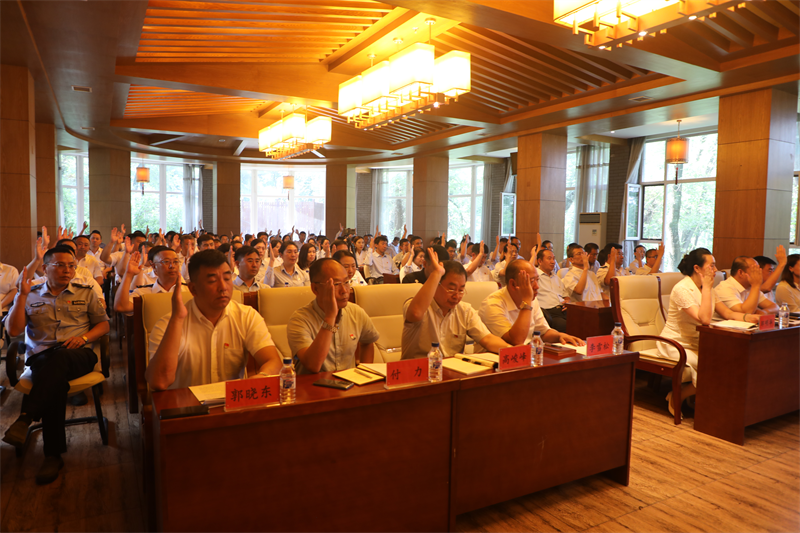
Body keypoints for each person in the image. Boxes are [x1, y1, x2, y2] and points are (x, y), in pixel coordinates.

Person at [2, 245, 110, 485]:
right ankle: (52, 455)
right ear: (45, 268)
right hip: (42, 358)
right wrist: (21, 296)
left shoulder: (86, 292)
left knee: (59, 360)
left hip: (79, 354)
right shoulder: (29, 294)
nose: (67, 270)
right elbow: (14, 330)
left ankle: (26, 419)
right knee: (55, 382)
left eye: (71, 266)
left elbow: (104, 325)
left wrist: (84, 338)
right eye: (60, 265)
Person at [146, 250, 282, 390]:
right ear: (193, 289)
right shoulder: (168, 324)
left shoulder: (247, 316)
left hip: (231, 399)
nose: (223, 287)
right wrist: (177, 320)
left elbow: (273, 361)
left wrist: (260, 378)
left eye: (227, 279)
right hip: (186, 402)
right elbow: (159, 382)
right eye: (212, 281)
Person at [657, 248, 758, 416]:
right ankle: (678, 396)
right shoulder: (682, 289)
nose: (716, 269)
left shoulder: (707, 288)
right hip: (676, 343)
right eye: (712, 266)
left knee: (727, 362)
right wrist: (706, 288)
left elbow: (728, 313)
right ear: (697, 268)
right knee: (710, 367)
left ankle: (705, 403)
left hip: (699, 342)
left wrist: (749, 317)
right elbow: (704, 319)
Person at [402, 254, 510, 360]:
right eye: (451, 289)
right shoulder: (418, 305)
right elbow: (415, 313)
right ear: (436, 284)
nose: (456, 296)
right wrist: (436, 273)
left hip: (453, 369)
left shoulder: (465, 310)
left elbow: (487, 339)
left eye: (461, 290)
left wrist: (511, 350)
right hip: (418, 368)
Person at [288, 259, 379, 374]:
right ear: (315, 289)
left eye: (346, 282)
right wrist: (330, 317)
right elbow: (313, 365)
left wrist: (365, 373)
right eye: (336, 284)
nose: (344, 291)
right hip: (314, 384)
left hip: (349, 383)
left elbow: (368, 341)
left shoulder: (356, 312)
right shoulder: (299, 320)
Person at [480, 259, 584, 347]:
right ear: (513, 284)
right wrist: (526, 303)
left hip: (528, 354)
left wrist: (559, 336)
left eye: (537, 280)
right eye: (531, 281)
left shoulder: (531, 299)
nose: (537, 286)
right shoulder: (493, 304)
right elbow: (516, 341)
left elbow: (543, 332)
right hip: (496, 359)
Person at [114, 246, 184, 315]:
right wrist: (128, 274)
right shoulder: (144, 293)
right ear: (154, 266)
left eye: (176, 261)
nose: (172, 266)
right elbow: (120, 307)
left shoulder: (187, 290)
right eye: (166, 261)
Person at [714, 256, 779, 315]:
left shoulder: (749, 287)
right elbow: (745, 314)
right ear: (741, 273)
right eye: (755, 270)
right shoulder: (725, 288)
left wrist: (764, 312)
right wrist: (756, 286)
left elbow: (775, 307)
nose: (759, 274)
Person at [536, 248, 570, 332]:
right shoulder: (535, 276)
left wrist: (567, 302)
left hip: (563, 310)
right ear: (540, 261)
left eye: (554, 258)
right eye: (549, 258)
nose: (553, 262)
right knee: (567, 326)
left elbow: (566, 296)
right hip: (548, 312)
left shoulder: (556, 277)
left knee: (583, 321)